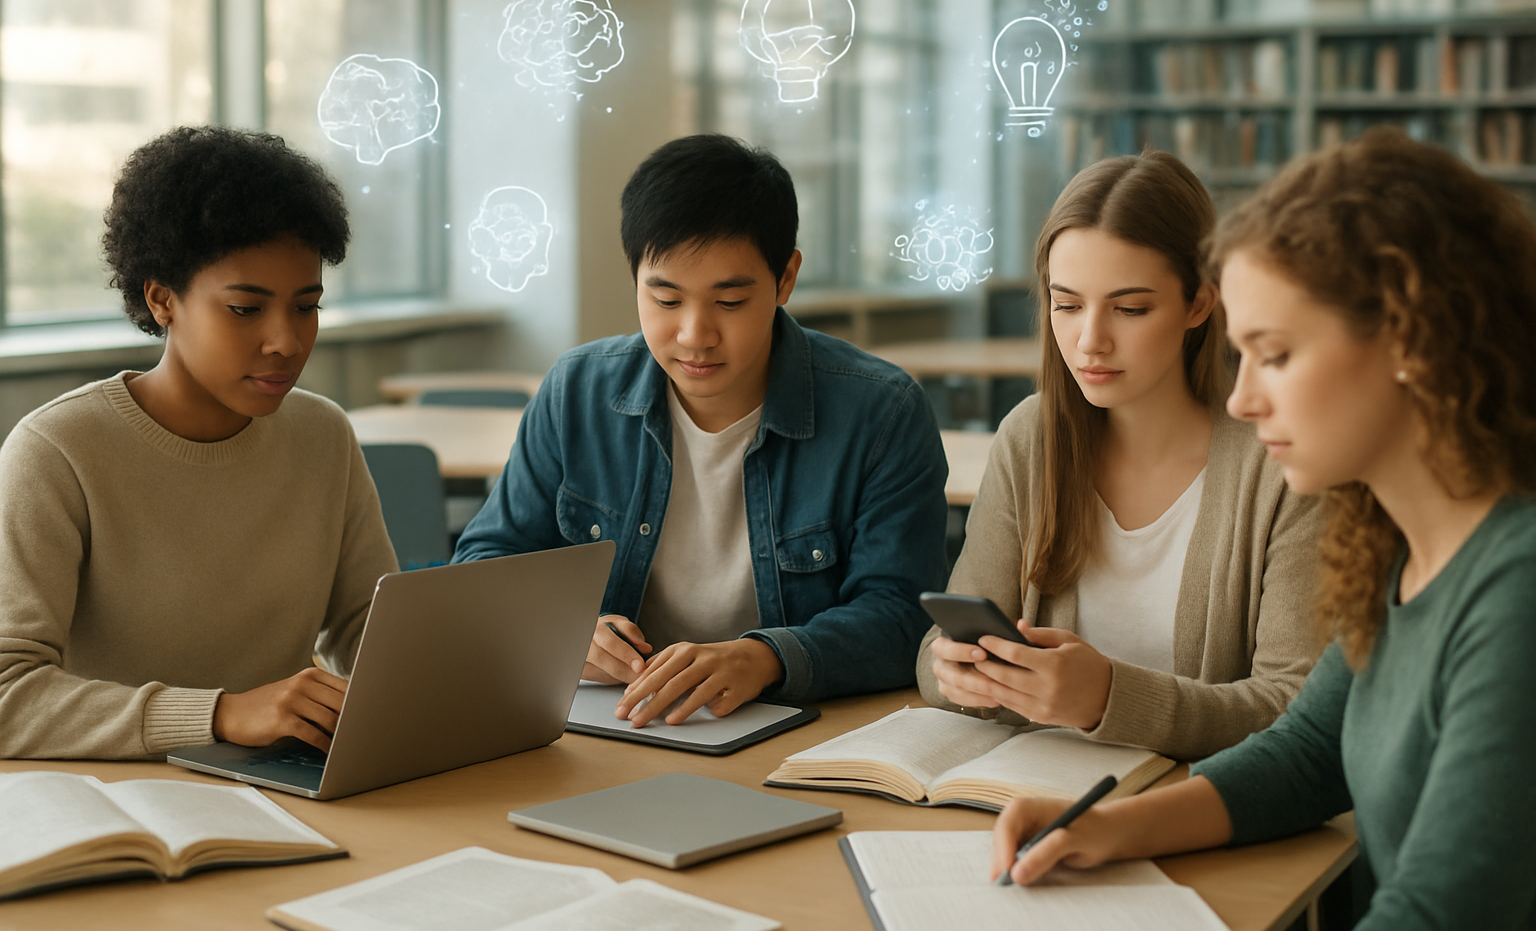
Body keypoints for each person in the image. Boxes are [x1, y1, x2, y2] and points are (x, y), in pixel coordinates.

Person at [989, 128, 1536, 928]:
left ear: (1410, 342)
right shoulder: (1395, 548)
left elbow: (1440, 911)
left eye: (1273, 355)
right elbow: (1308, 755)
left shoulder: (1515, 588)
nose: (1241, 401)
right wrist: (1106, 828)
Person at [454, 133, 949, 726]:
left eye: (731, 302)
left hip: (794, 731)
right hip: (612, 726)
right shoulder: (576, 392)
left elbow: (902, 617)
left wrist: (766, 658)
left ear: (785, 279)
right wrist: (561, 629)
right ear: (634, 275)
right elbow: (485, 561)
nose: (694, 334)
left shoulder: (882, 412)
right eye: (664, 299)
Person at [0, 126, 397, 760]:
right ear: (162, 300)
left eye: (306, 306)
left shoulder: (323, 435)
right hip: (119, 801)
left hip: (282, 785)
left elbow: (374, 635)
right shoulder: (56, 451)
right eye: (246, 309)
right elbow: (7, 698)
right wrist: (220, 714)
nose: (286, 342)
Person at [917, 150, 1324, 761]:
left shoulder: (1281, 465)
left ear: (1199, 303)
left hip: (1198, 816)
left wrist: (1107, 699)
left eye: (1130, 308)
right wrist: (954, 670)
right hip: (1029, 793)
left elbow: (1294, 707)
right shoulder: (1030, 439)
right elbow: (937, 658)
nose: (1090, 341)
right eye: (1067, 304)